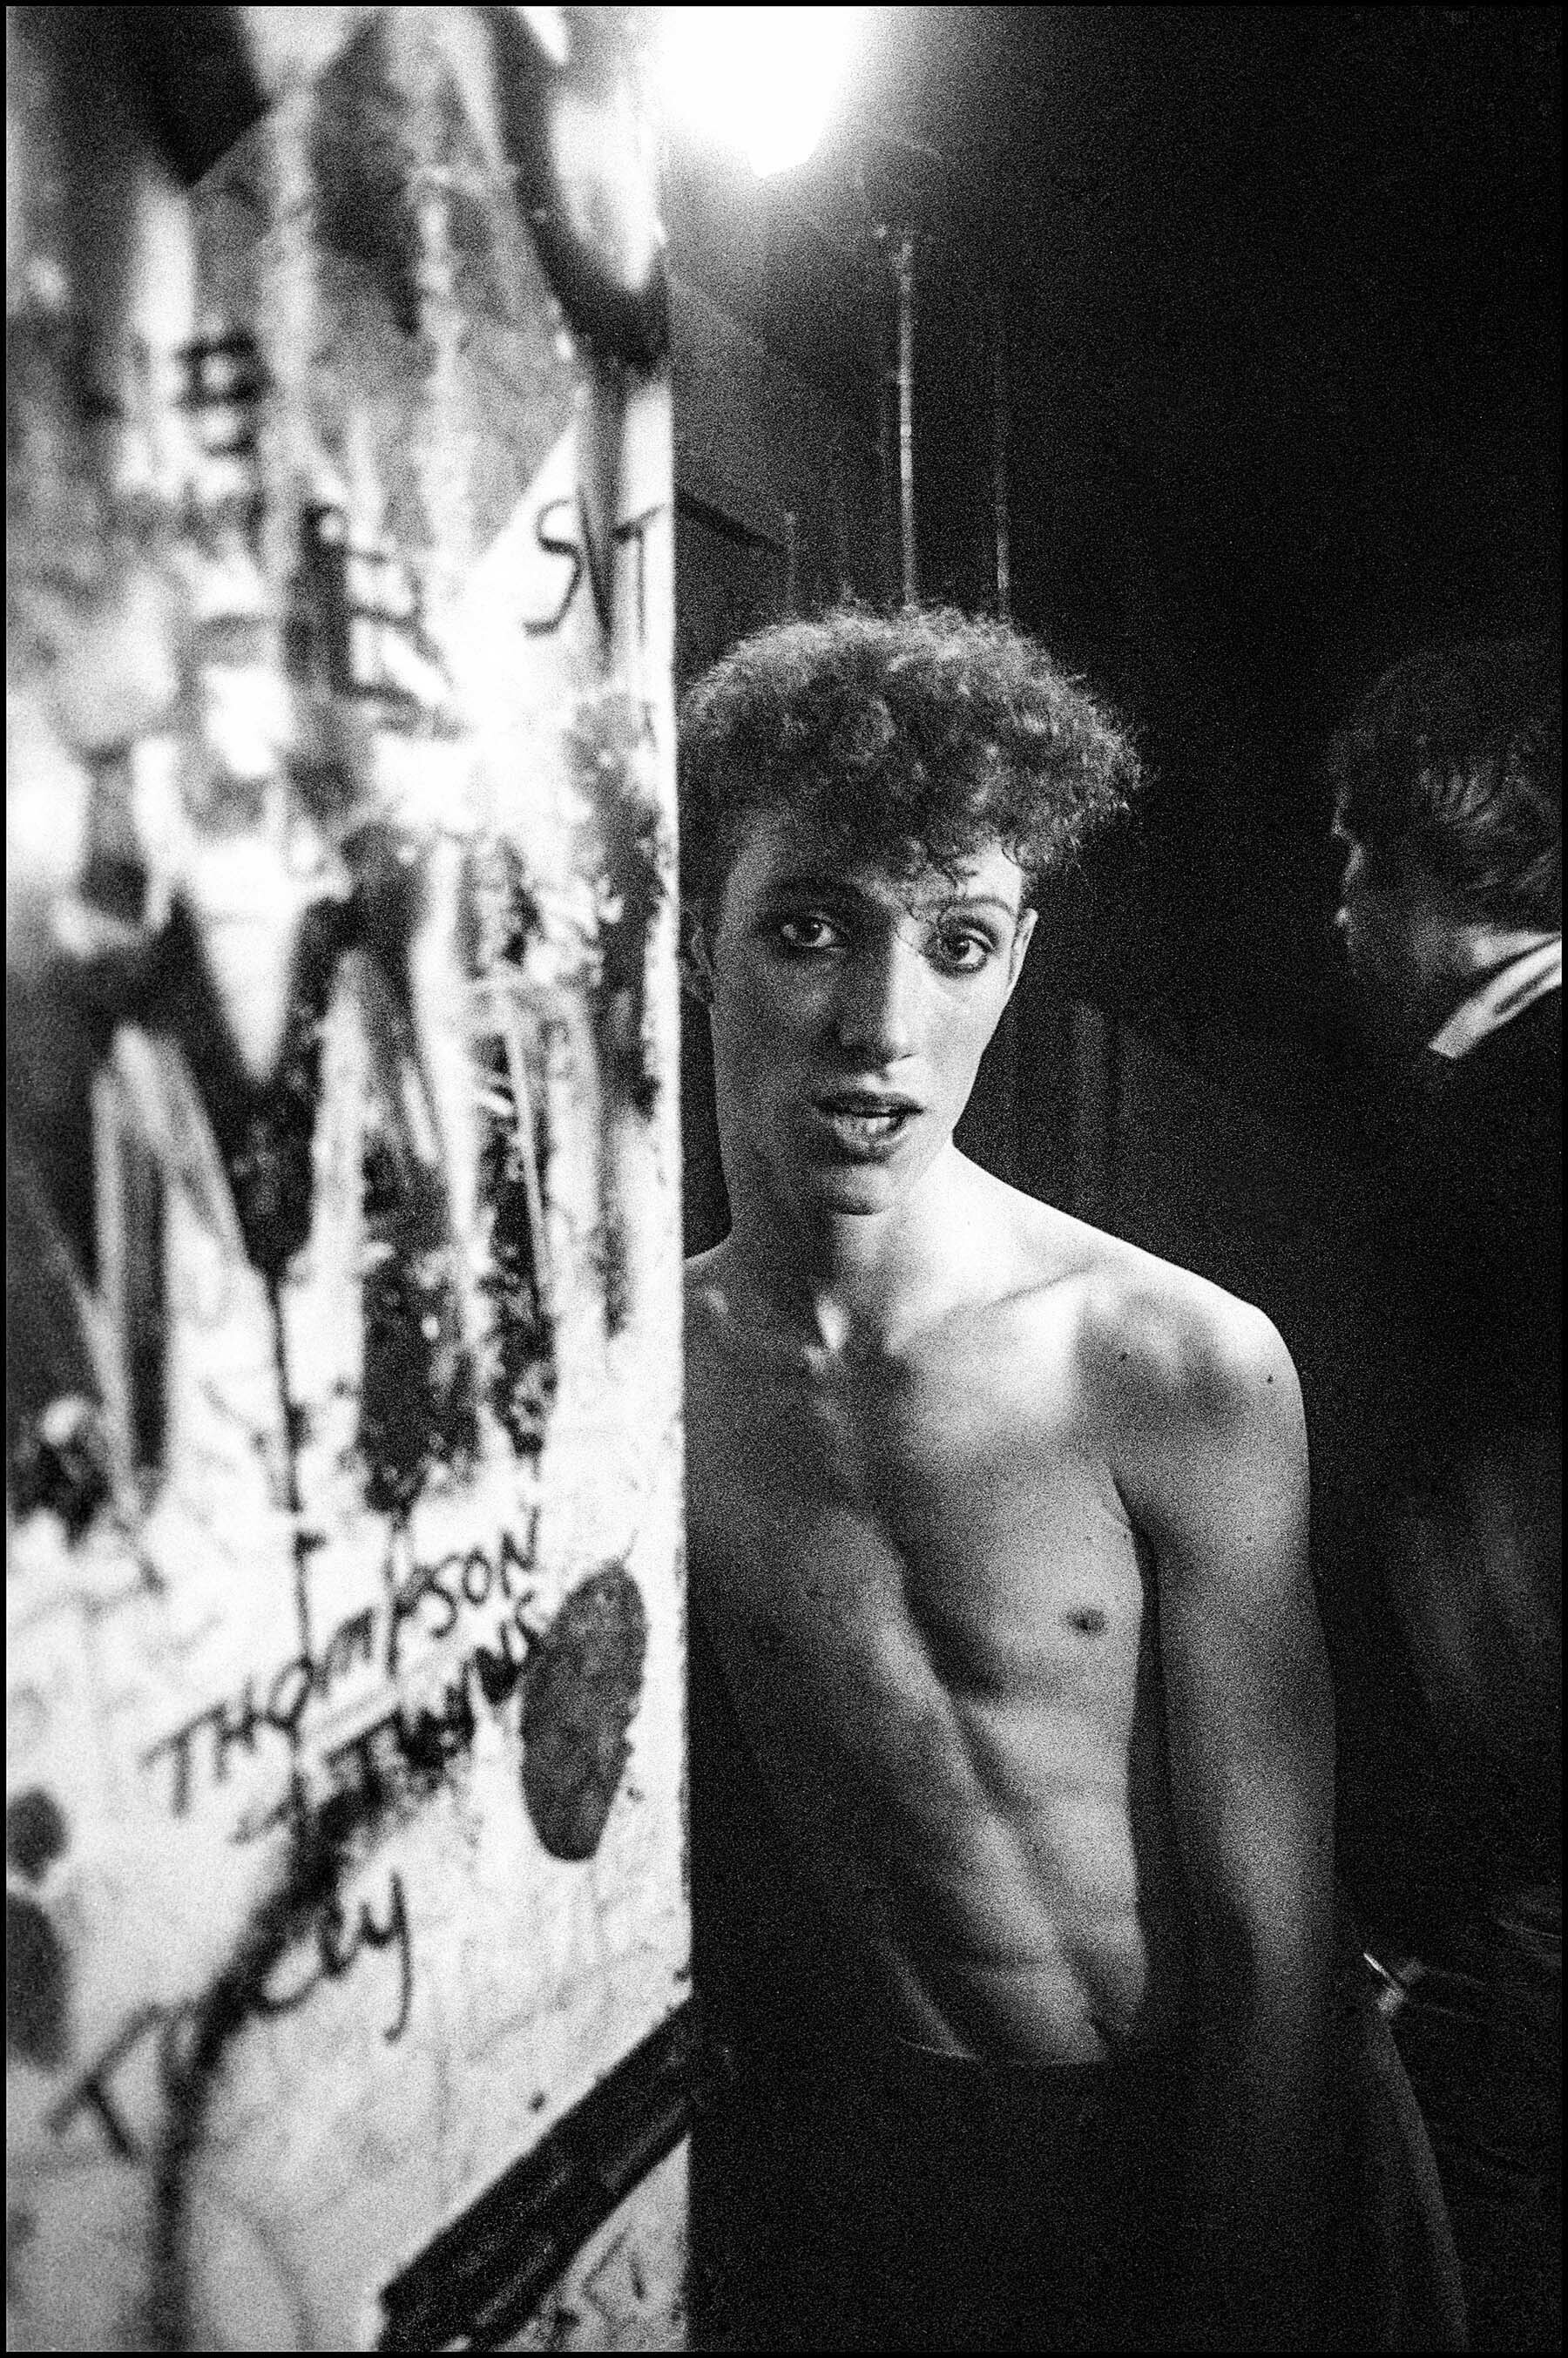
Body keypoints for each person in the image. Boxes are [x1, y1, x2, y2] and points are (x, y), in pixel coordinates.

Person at [679, 605, 1456, 2353]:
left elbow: (1278, 1927)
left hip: (1196, 2136)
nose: (886, 1021)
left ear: (1014, 961)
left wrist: (1244, 2290)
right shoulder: (641, 1395)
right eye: (812, 928)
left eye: (956, 942)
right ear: (696, 939)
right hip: (867, 2185)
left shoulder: (1170, 1361)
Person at [1330, 638, 1561, 2353]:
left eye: (1353, 859)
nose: (1337, 909)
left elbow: (1492, 1566)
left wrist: (1418, 1885)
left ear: (1418, 864)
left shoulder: (1499, 1116)